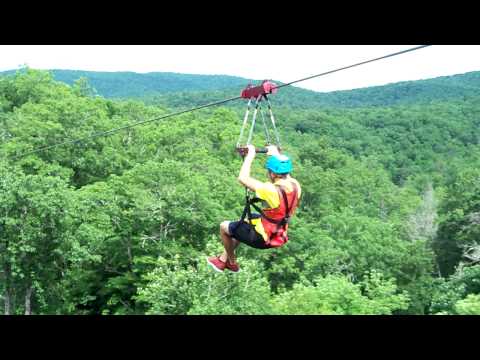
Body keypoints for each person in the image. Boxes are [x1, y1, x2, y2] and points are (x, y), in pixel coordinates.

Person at [207, 144, 301, 272]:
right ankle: (223, 259)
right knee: (244, 222)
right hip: (279, 233)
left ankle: (231, 262)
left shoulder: (271, 190)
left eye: (269, 172)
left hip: (261, 238)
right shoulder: (295, 185)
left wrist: (250, 156)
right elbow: (285, 172)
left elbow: (242, 178)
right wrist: (275, 154)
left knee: (224, 227)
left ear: (273, 174)